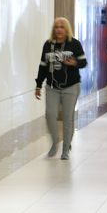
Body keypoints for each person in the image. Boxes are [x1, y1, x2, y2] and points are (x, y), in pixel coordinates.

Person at [35, 17, 87, 160]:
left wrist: (74, 63)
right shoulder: (48, 45)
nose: (59, 29)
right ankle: (55, 142)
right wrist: (38, 85)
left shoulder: (74, 44)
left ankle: (66, 149)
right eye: (56, 27)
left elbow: (83, 62)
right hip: (52, 86)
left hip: (71, 86)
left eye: (62, 27)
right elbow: (43, 67)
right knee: (50, 115)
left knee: (67, 117)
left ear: (67, 29)